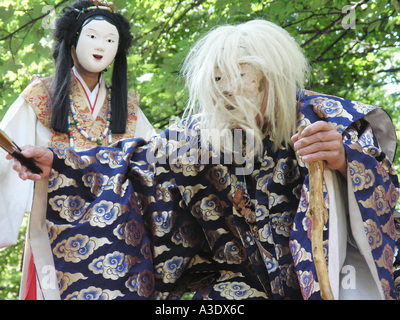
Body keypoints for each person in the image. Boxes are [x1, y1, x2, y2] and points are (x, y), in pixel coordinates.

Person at [9, 19, 400, 300]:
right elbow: (134, 161)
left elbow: (382, 189)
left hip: (317, 278)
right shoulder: (201, 133)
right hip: (233, 285)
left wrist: (344, 161)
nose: (233, 102)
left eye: (246, 84)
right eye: (221, 90)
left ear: (273, 81)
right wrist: (61, 164)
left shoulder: (324, 118)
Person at [0, 0, 155, 300]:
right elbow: (4, 162)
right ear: (72, 38)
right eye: (93, 36)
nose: (101, 46)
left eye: (110, 40)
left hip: (119, 240)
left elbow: (156, 166)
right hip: (54, 235)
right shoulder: (40, 95)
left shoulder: (129, 109)